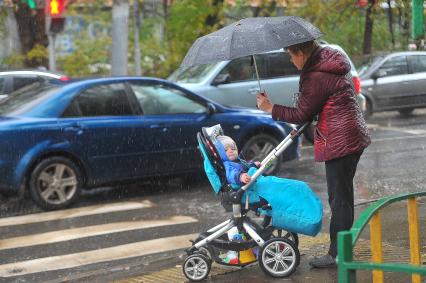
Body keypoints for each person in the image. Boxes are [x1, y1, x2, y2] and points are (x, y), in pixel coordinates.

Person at [256, 40, 370, 268]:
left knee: (340, 200)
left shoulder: (316, 75)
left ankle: (337, 254)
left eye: (291, 55)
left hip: (340, 141)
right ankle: (341, 250)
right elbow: (318, 104)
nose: (291, 60)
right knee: (342, 197)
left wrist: (269, 107)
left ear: (300, 52)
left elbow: (301, 112)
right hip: (351, 135)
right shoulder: (329, 62)